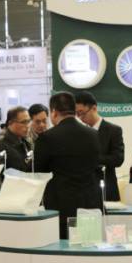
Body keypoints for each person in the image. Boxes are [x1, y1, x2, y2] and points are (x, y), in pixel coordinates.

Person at [34, 92, 101, 239]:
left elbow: (39, 173)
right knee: (89, 243)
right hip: (90, 202)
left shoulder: (46, 138)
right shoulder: (93, 134)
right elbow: (96, 165)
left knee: (63, 247)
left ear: (54, 112)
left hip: (61, 205)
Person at [75, 91, 124, 201]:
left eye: (82, 113)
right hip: (84, 190)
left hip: (106, 188)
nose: (80, 118)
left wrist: (93, 158)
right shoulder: (80, 133)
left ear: (94, 108)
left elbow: (118, 159)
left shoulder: (113, 130)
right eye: (77, 114)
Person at [0, 107, 32, 172]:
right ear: (10, 123)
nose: (27, 126)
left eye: (28, 121)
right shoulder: (0, 144)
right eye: (23, 122)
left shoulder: (24, 139)